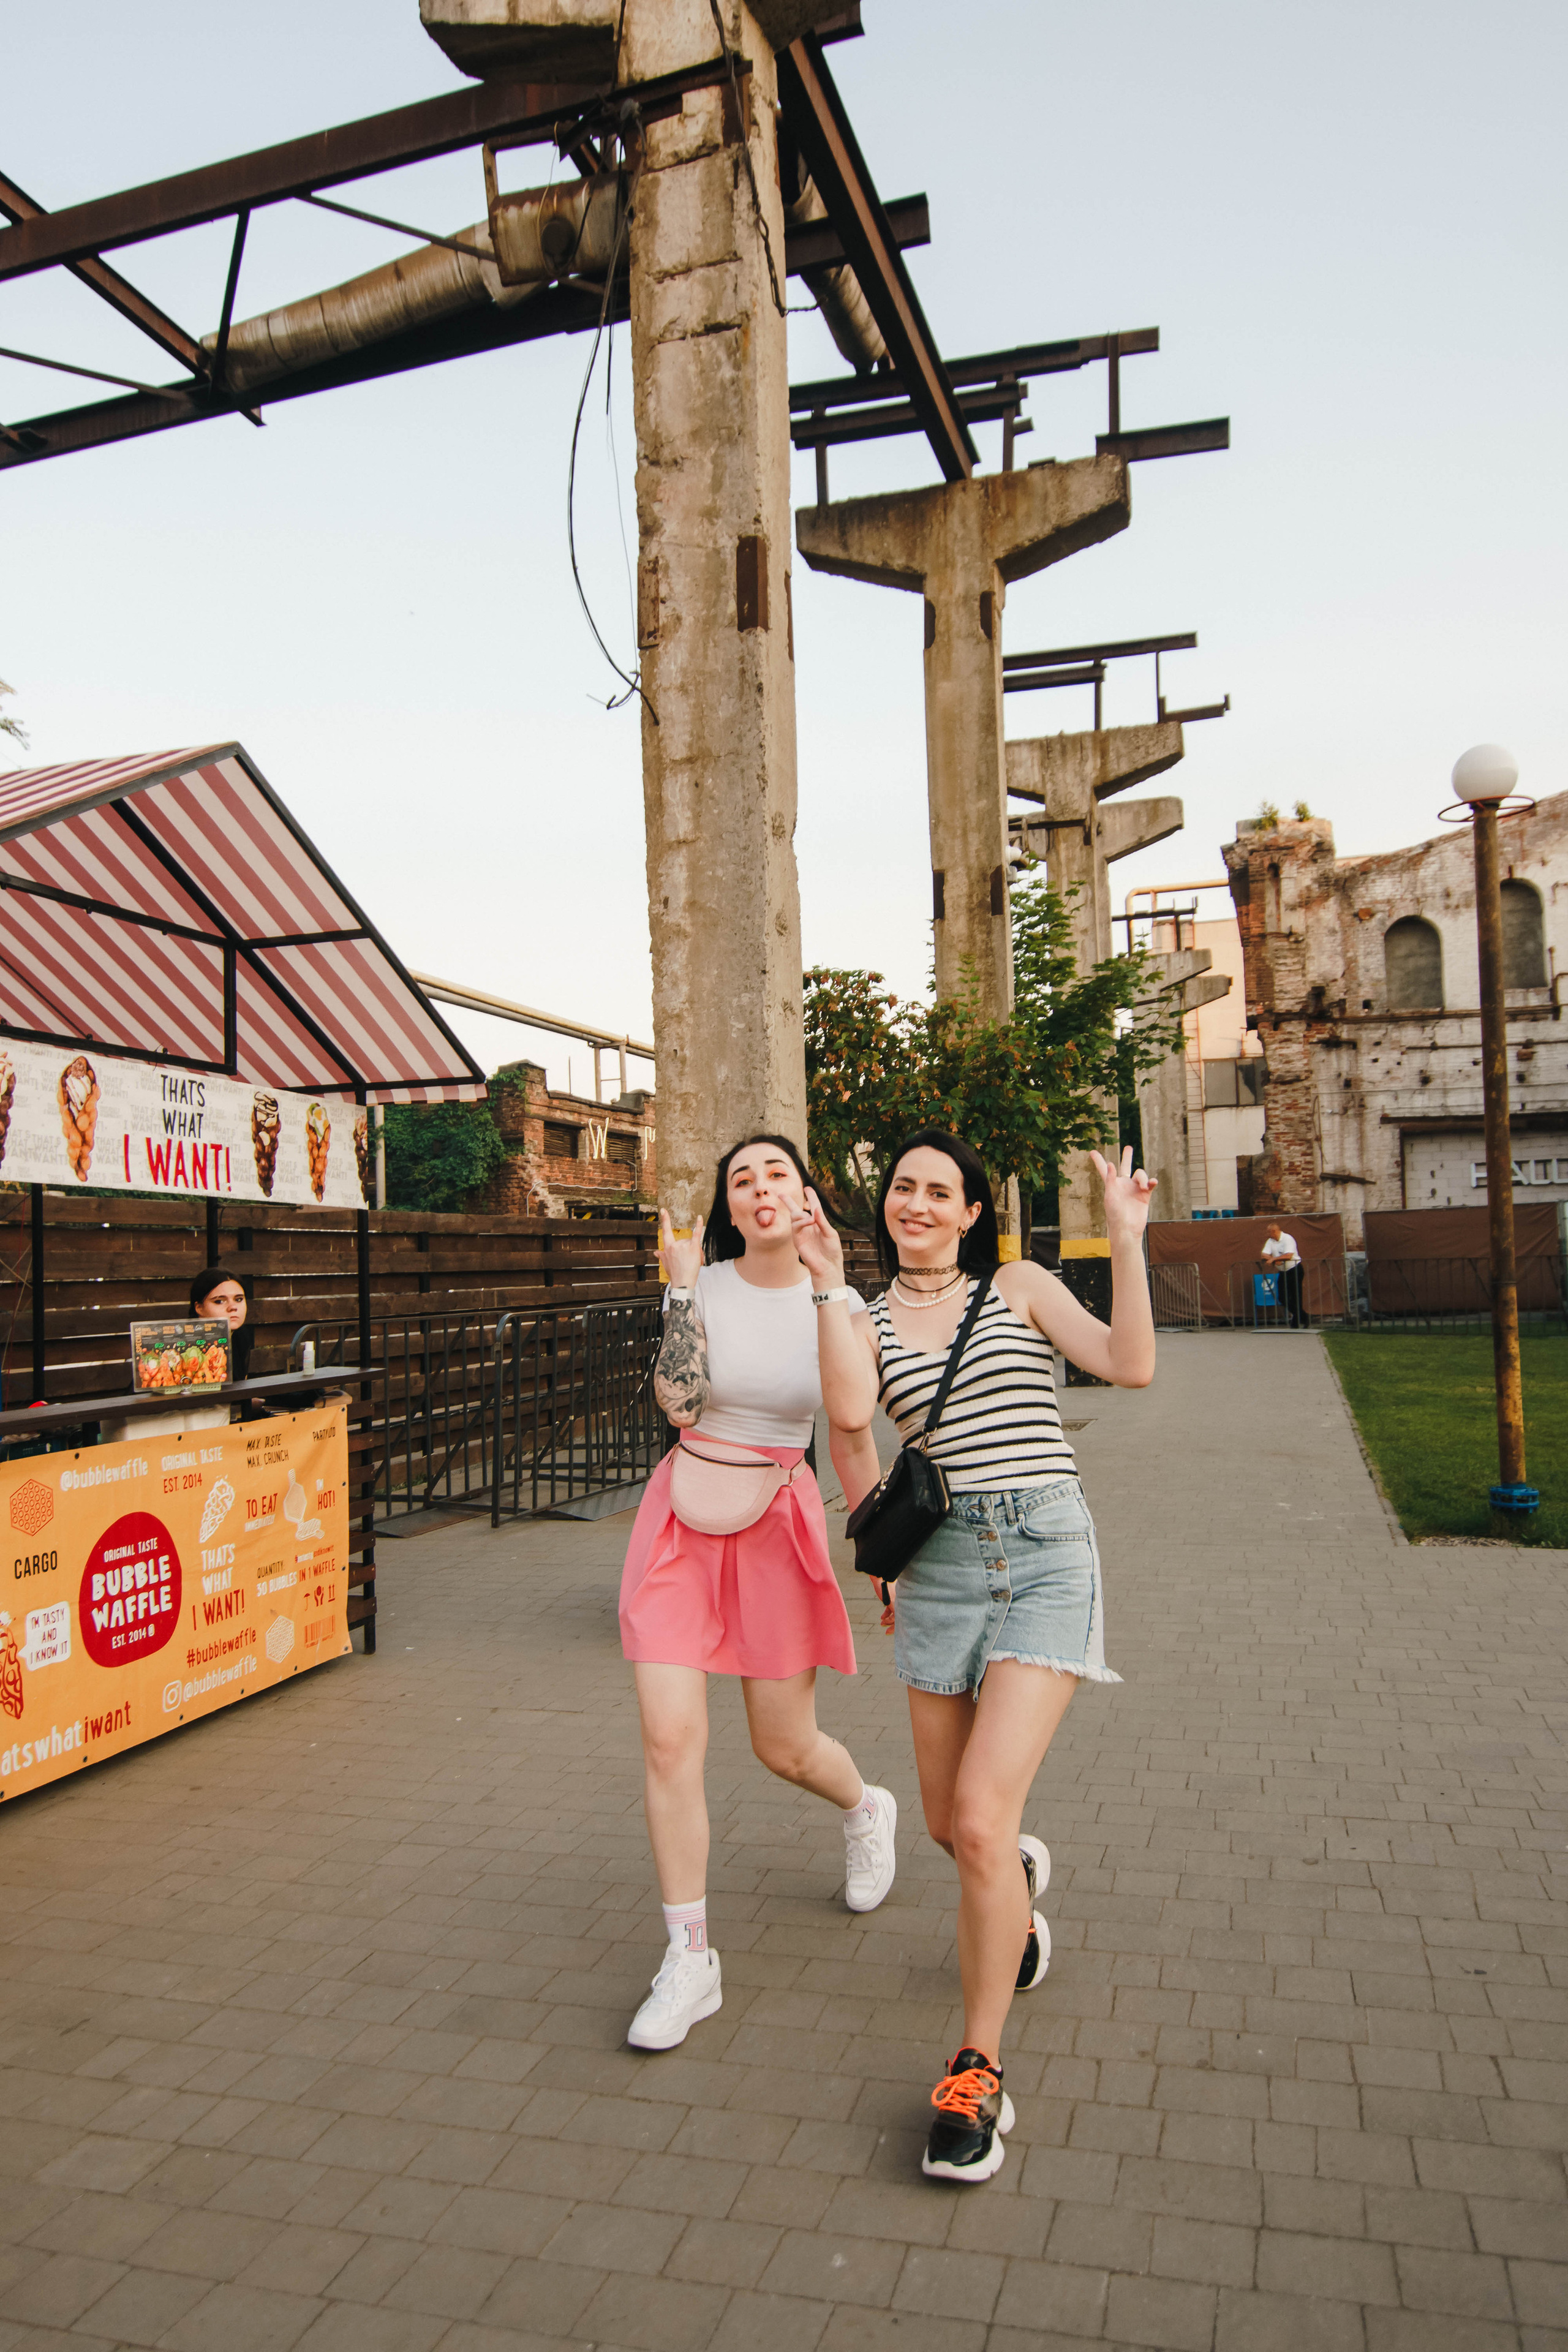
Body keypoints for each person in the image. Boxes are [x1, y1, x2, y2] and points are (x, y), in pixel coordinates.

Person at [835, 1129, 1155, 2185]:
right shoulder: (863, 1321)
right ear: (885, 1204)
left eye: (941, 1191)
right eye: (904, 1188)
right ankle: (1010, 1884)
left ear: (973, 1212)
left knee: (976, 1816)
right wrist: (879, 1555)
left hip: (1046, 1554)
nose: (918, 1204)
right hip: (938, 1574)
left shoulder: (1017, 1287)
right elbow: (850, 1433)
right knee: (950, 1827)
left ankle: (977, 2070)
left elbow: (1130, 1364)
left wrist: (1125, 1238)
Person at [618, 1134, 894, 2052]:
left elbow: (851, 1427)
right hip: (682, 1516)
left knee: (785, 1747)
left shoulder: (842, 1303)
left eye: (778, 1173)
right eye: (742, 1179)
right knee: (670, 1740)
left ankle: (866, 1808)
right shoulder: (702, 1284)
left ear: (807, 1196)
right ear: (730, 1207)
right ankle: (689, 1957)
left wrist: (880, 1548)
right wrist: (679, 1288)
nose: (760, 1188)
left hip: (777, 1522)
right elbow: (678, 1405)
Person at [189, 1266, 255, 1381]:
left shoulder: (241, 1335)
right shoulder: (187, 1346)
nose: (233, 1307)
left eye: (239, 1299)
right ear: (199, 1308)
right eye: (219, 1301)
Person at [1260, 1222, 1304, 1328]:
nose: (1267, 1234)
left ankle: (1297, 1322)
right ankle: (1304, 1316)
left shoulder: (1288, 1239)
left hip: (1294, 1269)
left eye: (1269, 1232)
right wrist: (1275, 1260)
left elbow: (1289, 1255)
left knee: (1296, 1296)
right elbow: (1264, 1254)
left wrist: (1274, 1259)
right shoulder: (1270, 1241)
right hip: (1283, 1271)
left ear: (1274, 1231)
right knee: (1282, 1297)